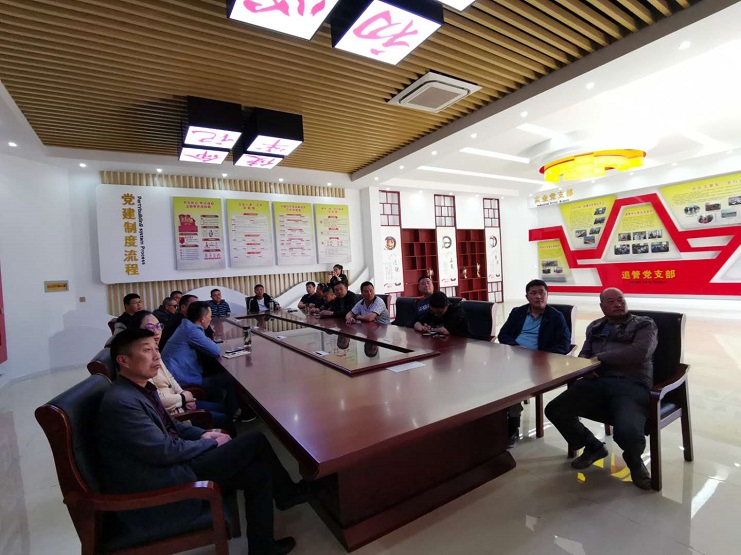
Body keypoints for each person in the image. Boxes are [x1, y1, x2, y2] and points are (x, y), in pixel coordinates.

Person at [96, 328, 307, 555]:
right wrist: (210, 444)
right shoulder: (122, 403)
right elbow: (164, 451)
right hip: (166, 477)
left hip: (174, 463)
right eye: (147, 351)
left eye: (156, 349)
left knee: (259, 473)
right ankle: (287, 494)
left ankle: (262, 547)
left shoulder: (141, 388)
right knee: (255, 440)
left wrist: (204, 434)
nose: (157, 356)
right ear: (123, 360)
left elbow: (173, 426)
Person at [544, 288, 658, 490]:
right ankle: (593, 447)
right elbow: (584, 354)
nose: (618, 304)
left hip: (631, 383)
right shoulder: (595, 326)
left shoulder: (644, 323)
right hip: (597, 381)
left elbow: (640, 352)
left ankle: (635, 463)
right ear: (602, 306)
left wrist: (598, 359)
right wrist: (585, 368)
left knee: (628, 431)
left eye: (620, 299)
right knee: (555, 409)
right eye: (611, 301)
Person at [131, 310, 233, 434]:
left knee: (222, 408)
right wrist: (183, 398)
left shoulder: (154, 348)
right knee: (224, 417)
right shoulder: (140, 360)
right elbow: (154, 399)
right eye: (149, 327)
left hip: (180, 401)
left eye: (158, 326)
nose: (156, 331)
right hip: (174, 417)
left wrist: (183, 393)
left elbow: (170, 378)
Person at [497, 279, 571, 447]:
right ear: (527, 297)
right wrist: (516, 347)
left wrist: (541, 356)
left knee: (511, 384)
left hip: (538, 364)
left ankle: (513, 424)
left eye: (542, 292)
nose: (538, 297)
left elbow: (564, 345)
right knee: (491, 378)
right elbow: (503, 334)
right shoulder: (518, 312)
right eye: (534, 293)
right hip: (514, 357)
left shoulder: (556, 316)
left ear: (547, 295)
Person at [162, 301, 238, 417]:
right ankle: (233, 413)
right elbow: (215, 350)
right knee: (229, 378)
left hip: (178, 376)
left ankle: (221, 409)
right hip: (183, 380)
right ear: (202, 318)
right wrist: (209, 342)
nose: (211, 319)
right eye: (210, 316)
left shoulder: (186, 326)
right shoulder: (192, 331)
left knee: (219, 377)